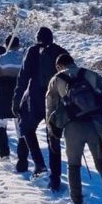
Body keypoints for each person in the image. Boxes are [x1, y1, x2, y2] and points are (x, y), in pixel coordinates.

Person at [46, 53, 102, 204]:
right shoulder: (90, 74)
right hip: (96, 125)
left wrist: (52, 130)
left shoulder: (57, 78)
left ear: (59, 66)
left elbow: (50, 106)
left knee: (73, 166)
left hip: (73, 127)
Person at [12, 27, 68, 190]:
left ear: (37, 38)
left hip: (34, 98)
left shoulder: (32, 51)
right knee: (53, 137)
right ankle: (55, 179)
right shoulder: (60, 51)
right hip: (55, 99)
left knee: (27, 129)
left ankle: (39, 164)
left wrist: (16, 99)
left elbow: (23, 77)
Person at [0, 35, 23, 159]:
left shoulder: (1, 58)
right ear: (18, 45)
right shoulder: (24, 58)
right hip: (19, 96)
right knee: (20, 127)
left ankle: (4, 153)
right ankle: (22, 156)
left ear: (6, 45)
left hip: (3, 95)